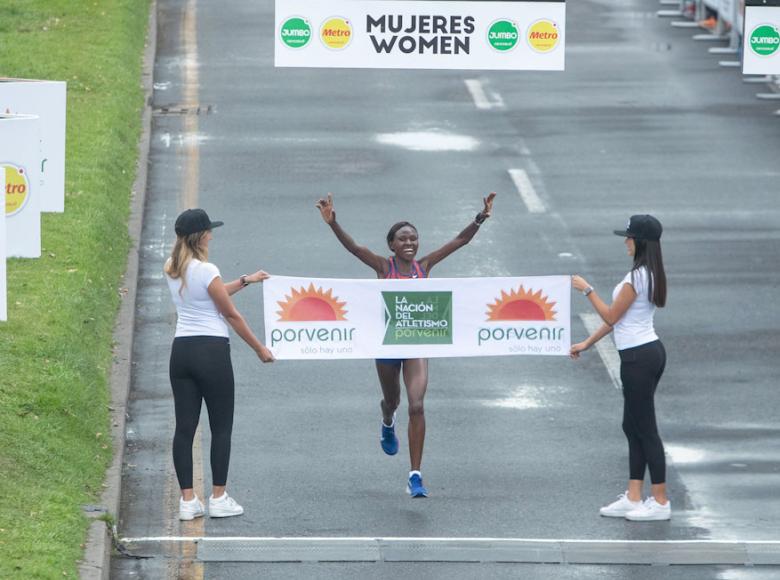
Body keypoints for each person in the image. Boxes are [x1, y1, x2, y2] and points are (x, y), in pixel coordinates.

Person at [315, 191, 496, 497]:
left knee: (417, 405)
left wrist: (479, 218)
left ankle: (415, 475)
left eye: (413, 238)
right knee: (393, 401)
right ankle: (387, 419)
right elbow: (355, 249)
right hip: (386, 346)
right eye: (403, 239)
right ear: (391, 245)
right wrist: (333, 223)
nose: (410, 243)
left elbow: (458, 242)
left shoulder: (424, 266)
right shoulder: (384, 268)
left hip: (416, 344)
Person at [164, 208, 275, 521]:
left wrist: (245, 280)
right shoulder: (206, 269)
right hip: (211, 352)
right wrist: (259, 348)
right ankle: (218, 496)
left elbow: (208, 294)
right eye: (209, 231)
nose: (212, 235)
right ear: (200, 236)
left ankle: (188, 501)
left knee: (185, 427)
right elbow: (230, 314)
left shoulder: (172, 266)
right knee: (220, 426)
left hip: (182, 352)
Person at [570, 214, 670, 521]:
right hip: (643, 354)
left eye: (628, 237)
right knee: (632, 426)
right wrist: (587, 343)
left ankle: (661, 501)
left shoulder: (639, 276)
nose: (625, 241)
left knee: (646, 429)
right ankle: (634, 496)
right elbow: (620, 320)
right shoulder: (647, 273)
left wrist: (587, 290)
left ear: (638, 241)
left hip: (640, 358)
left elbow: (612, 316)